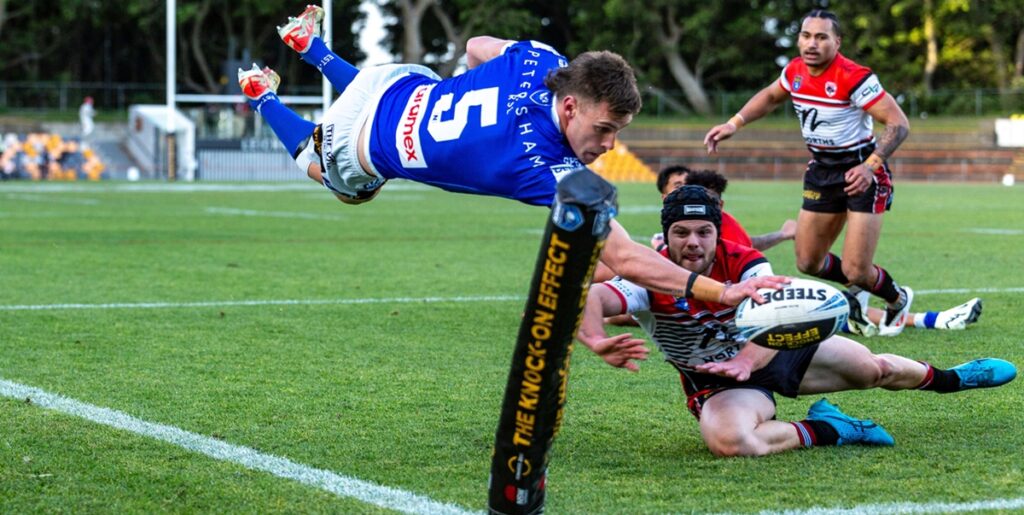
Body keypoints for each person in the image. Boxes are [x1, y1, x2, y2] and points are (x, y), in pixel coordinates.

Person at [237, 5, 787, 307]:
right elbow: (625, 260)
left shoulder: (543, 59)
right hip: (350, 142)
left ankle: (313, 49)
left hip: (393, 83)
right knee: (341, 185)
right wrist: (724, 289)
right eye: (603, 129)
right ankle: (263, 95)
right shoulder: (551, 170)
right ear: (570, 106)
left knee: (385, 116)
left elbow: (477, 45)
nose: (609, 146)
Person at [576, 185, 1017, 457]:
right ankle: (833, 428)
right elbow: (593, 295)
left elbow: (776, 320)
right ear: (666, 236)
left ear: (718, 232)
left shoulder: (746, 262)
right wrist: (596, 338)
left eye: (703, 232)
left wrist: (748, 360)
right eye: (681, 233)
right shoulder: (653, 274)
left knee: (874, 370)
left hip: (778, 349)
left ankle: (953, 379)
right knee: (731, 443)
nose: (692, 243)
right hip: (720, 382)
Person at [704, 9, 913, 337]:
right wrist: (734, 123)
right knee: (808, 262)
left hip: (863, 173)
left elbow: (899, 123)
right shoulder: (795, 71)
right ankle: (855, 289)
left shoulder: (854, 76)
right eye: (806, 35)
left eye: (821, 37)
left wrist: (870, 166)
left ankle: (898, 299)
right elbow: (771, 96)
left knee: (857, 268)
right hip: (821, 172)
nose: (811, 43)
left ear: (837, 41)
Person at [682, 168, 982, 333]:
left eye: (711, 203)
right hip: (711, 311)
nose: (692, 239)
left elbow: (743, 248)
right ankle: (927, 317)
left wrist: (782, 234)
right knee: (817, 306)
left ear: (720, 205)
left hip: (736, 306)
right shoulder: (671, 237)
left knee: (813, 302)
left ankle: (930, 318)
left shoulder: (725, 225)